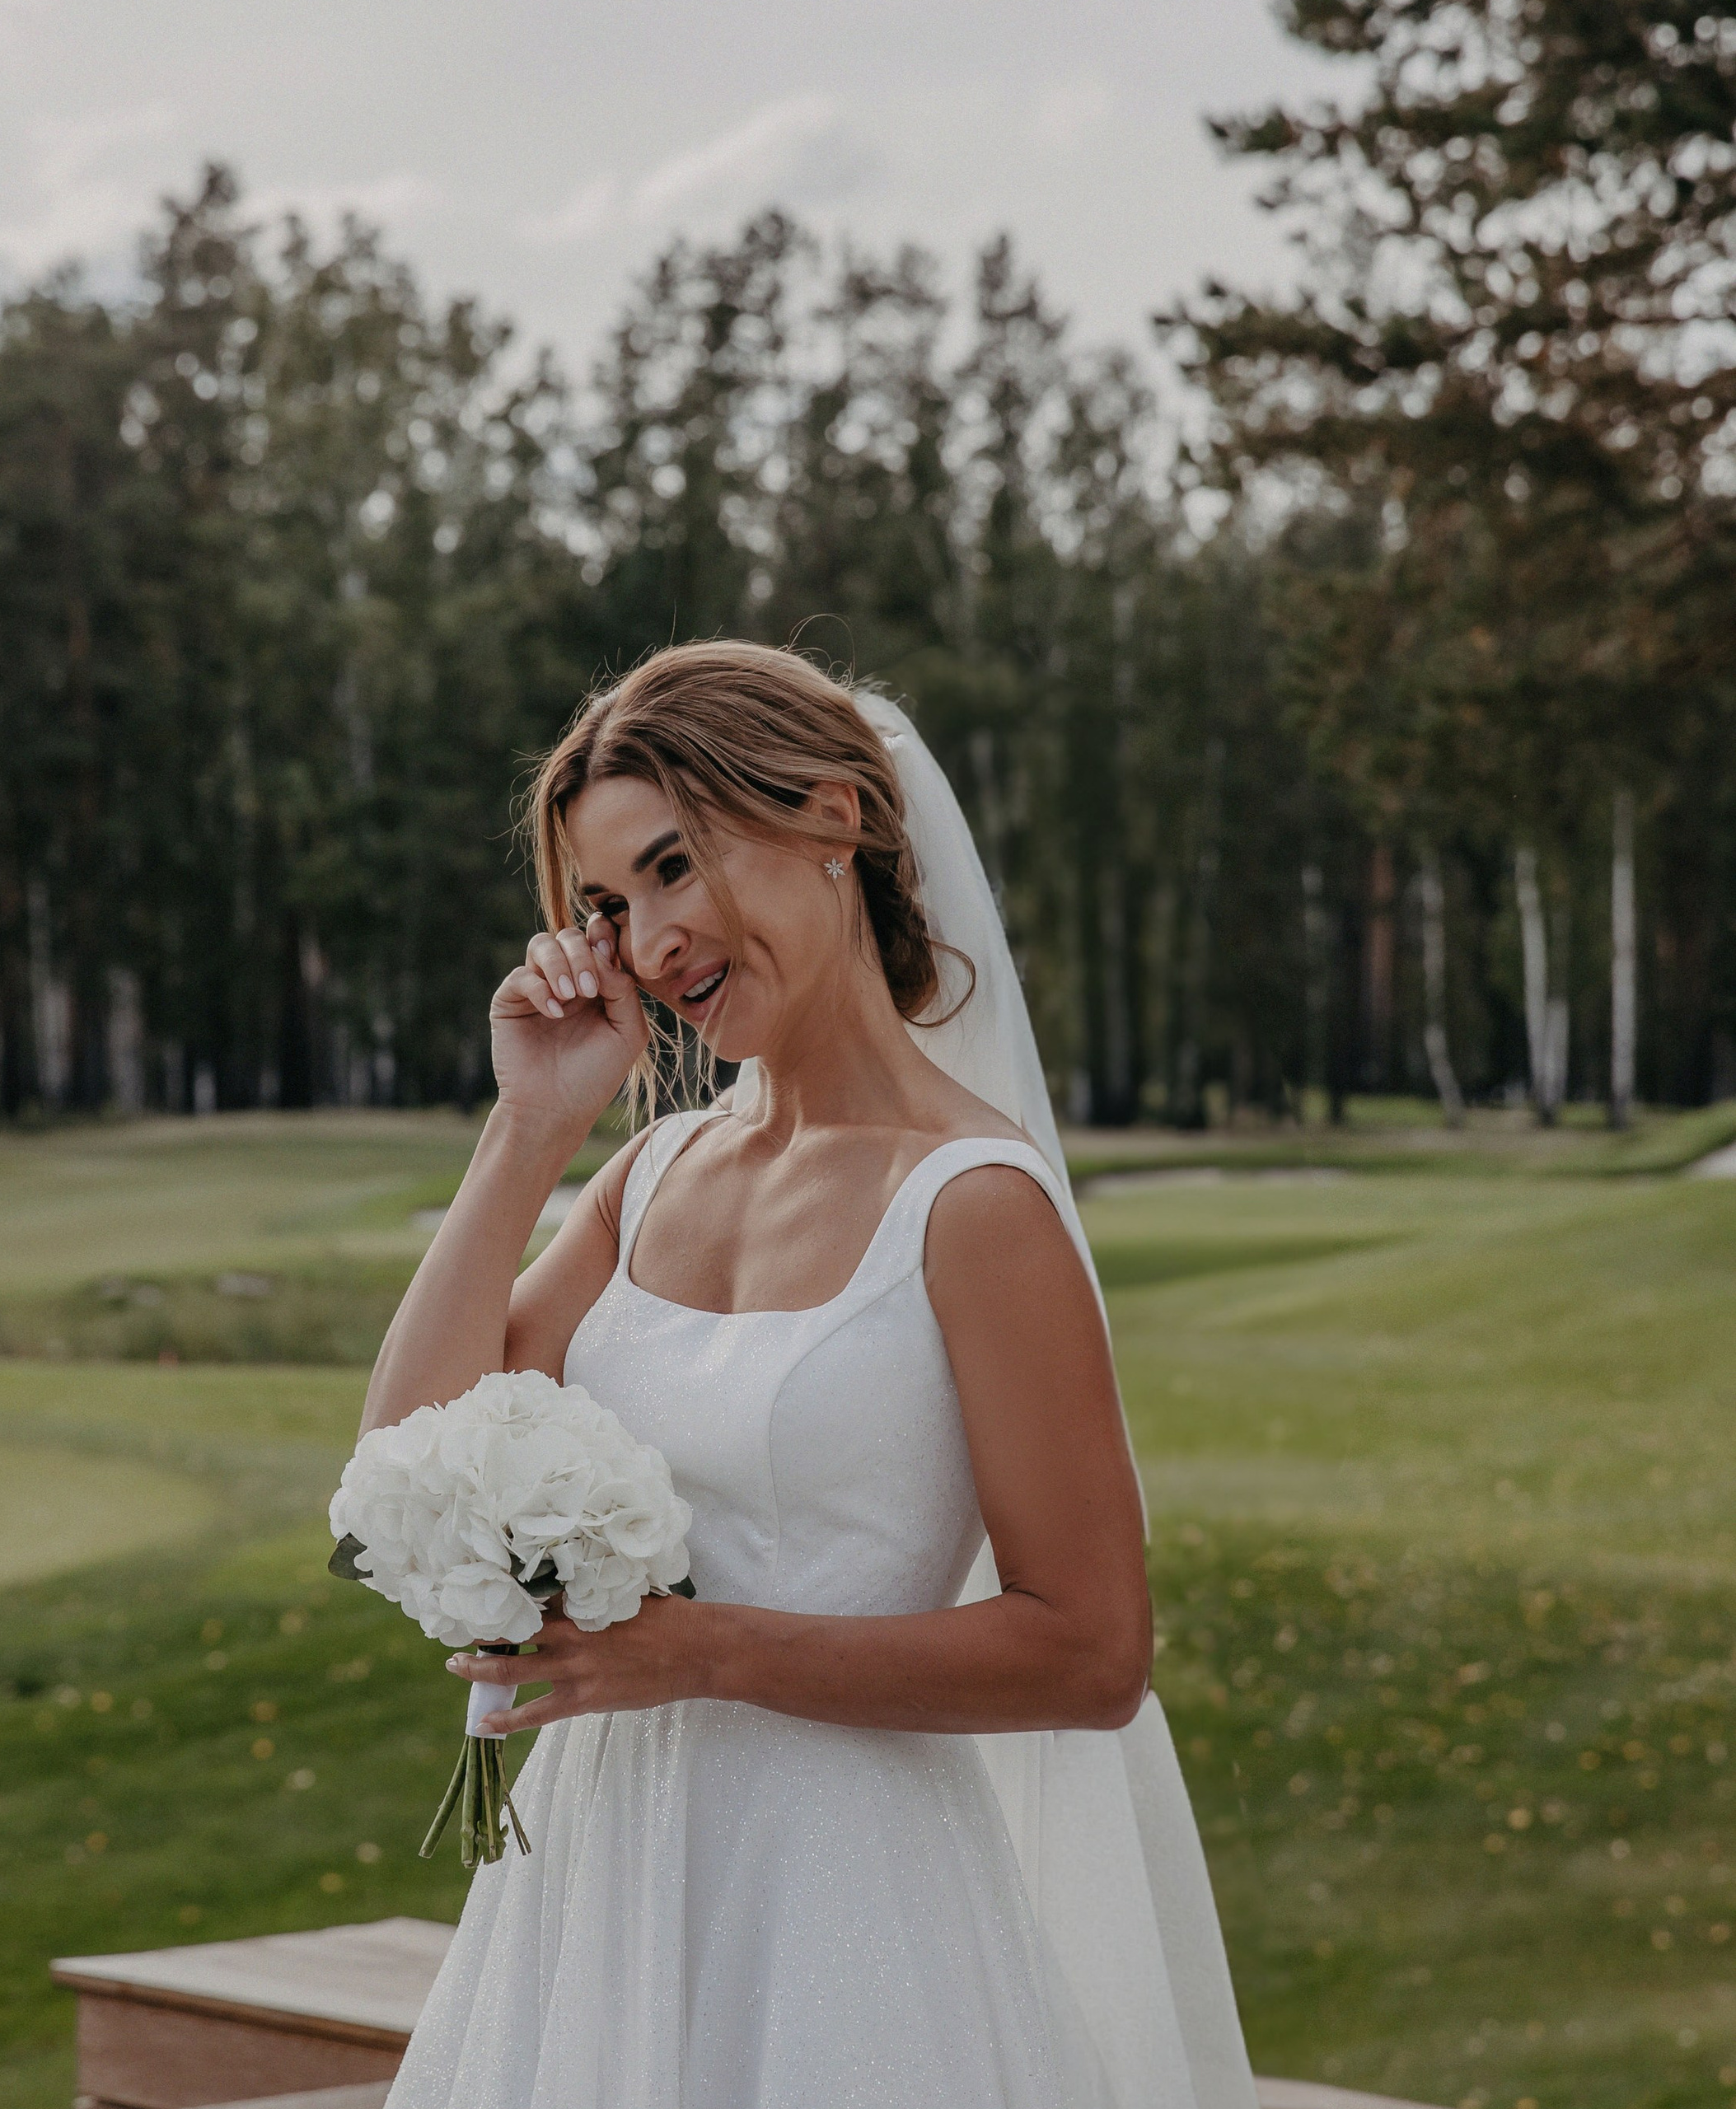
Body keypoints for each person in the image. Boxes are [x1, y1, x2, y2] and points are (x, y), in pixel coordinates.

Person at [363, 640, 1254, 2109]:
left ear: (835, 819)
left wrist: (703, 1654)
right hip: (596, 1896)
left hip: (856, 1920)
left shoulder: (973, 1206)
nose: (647, 941)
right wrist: (527, 1132)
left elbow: (1094, 1654)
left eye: (674, 867)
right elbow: (406, 1449)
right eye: (607, 904)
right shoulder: (647, 1173)